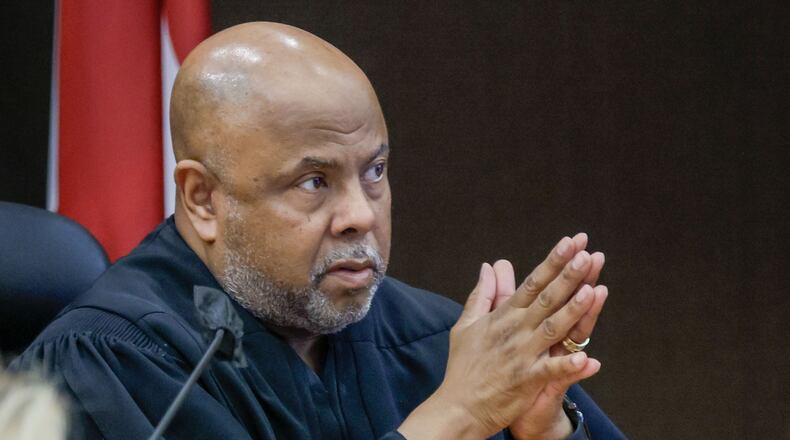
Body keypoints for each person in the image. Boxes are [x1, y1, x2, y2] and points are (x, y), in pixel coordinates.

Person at [12, 22, 625, 439]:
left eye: (375, 171)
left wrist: (547, 429)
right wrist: (457, 416)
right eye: (314, 181)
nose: (361, 213)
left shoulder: (438, 339)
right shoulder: (112, 364)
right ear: (203, 198)